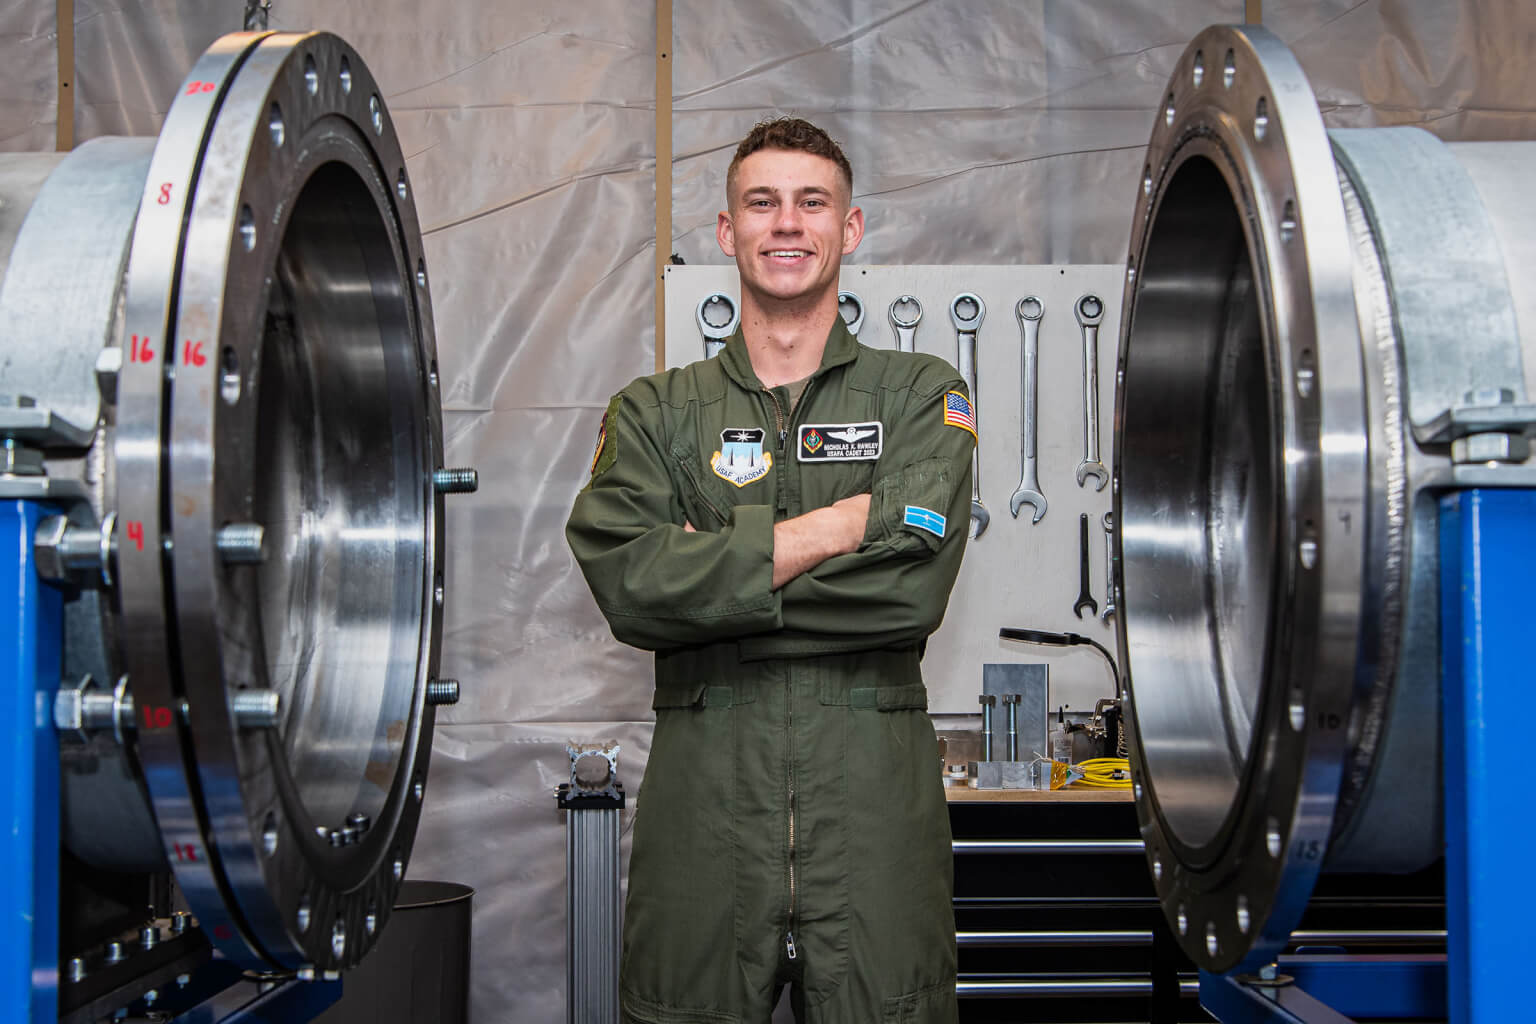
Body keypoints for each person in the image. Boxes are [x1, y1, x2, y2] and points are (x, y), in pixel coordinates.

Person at [566, 117, 973, 1024]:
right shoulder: (657, 414)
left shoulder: (921, 395)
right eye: (762, 203)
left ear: (850, 228)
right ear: (726, 231)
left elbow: (909, 591)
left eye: (810, 202)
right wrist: (837, 524)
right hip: (703, 836)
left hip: (873, 837)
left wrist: (711, 582)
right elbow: (629, 584)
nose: (787, 224)